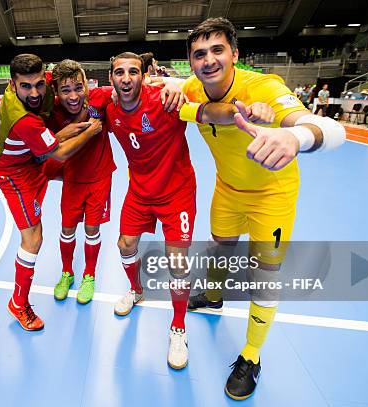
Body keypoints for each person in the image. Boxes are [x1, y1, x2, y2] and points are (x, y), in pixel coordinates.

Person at [182, 17, 345, 400]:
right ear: (191, 62)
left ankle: (251, 355)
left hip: (271, 195)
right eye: (199, 54)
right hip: (227, 189)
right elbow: (176, 90)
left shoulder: (265, 88)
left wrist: (295, 134)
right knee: (217, 248)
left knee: (264, 274)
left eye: (217, 50)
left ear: (235, 54)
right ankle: (214, 295)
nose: (208, 60)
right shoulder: (191, 89)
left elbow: (325, 127)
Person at [106, 51, 259, 371]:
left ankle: (178, 328)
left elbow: (208, 109)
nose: (126, 78)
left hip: (176, 193)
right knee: (124, 244)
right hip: (139, 191)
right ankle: (136, 290)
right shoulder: (110, 109)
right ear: (111, 79)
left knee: (177, 261)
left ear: (144, 76)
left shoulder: (165, 100)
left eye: (133, 72)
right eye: (119, 73)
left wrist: (240, 113)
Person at [0, 53, 103, 331]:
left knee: (82, 179)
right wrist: (89, 131)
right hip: (13, 173)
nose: (35, 92)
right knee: (33, 239)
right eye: (26, 87)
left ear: (45, 77)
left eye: (39, 84)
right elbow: (59, 154)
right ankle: (18, 302)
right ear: (12, 85)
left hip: (29, 159)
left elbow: (69, 83)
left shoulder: (35, 87)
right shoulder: (24, 120)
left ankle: (80, 267)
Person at [46, 59, 116, 304]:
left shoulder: (100, 97)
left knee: (92, 229)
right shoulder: (52, 110)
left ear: (86, 85)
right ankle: (67, 273)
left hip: (100, 177)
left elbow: (131, 84)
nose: (74, 96)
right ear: (56, 92)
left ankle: (89, 275)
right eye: (65, 90)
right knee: (67, 229)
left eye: (78, 87)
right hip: (72, 180)